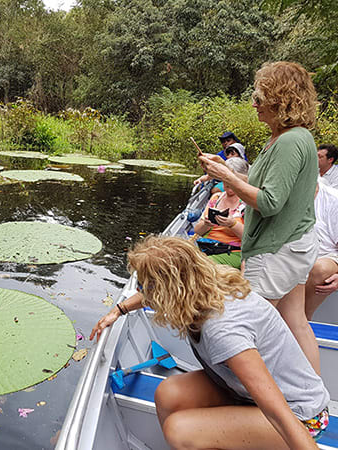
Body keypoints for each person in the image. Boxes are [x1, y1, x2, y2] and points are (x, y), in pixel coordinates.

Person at [90, 236, 329, 449]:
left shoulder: (223, 331)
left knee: (179, 430)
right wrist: (119, 310)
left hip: (300, 417)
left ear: (168, 292)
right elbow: (156, 292)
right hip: (243, 393)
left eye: (144, 285)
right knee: (168, 393)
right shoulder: (204, 285)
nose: (143, 292)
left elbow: (277, 411)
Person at [199, 61, 321, 374]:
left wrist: (230, 179)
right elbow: (270, 184)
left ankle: (260, 399)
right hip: (296, 244)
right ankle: (312, 393)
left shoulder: (290, 141)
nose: (254, 104)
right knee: (296, 321)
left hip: (276, 250)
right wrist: (226, 169)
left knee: (252, 327)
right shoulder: (293, 137)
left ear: (282, 100)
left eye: (260, 97)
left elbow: (269, 202)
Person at [193, 158, 249, 268]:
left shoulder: (247, 202)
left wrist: (232, 224)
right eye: (225, 179)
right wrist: (206, 224)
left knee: (199, 266)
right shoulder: (216, 198)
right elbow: (198, 231)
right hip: (206, 248)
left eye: (231, 179)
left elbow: (250, 239)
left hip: (232, 252)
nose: (228, 184)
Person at [305, 180, 338, 319]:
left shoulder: (333, 199)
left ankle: (304, 320)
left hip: (325, 255)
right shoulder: (279, 195)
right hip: (293, 254)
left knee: (319, 268)